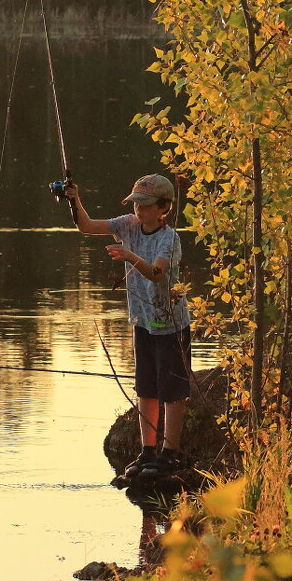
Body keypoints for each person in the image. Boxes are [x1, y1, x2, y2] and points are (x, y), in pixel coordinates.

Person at [66, 174, 191, 482]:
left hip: (171, 323)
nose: (139, 211)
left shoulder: (169, 238)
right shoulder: (127, 224)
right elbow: (87, 226)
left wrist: (128, 255)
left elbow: (158, 274)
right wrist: (74, 199)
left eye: (145, 206)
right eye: (136, 204)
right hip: (143, 322)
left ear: (163, 207)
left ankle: (169, 454)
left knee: (172, 392)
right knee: (146, 389)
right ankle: (148, 452)